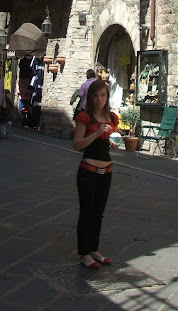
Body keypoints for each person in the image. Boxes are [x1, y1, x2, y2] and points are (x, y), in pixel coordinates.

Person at [73, 79, 121, 269]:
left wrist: (113, 142)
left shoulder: (112, 118)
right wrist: (95, 134)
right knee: (86, 212)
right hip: (88, 170)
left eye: (103, 95)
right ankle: (84, 253)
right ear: (90, 97)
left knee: (98, 213)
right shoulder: (85, 117)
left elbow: (110, 139)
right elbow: (77, 145)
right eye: (96, 95)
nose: (99, 99)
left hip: (106, 171)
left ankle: (94, 250)